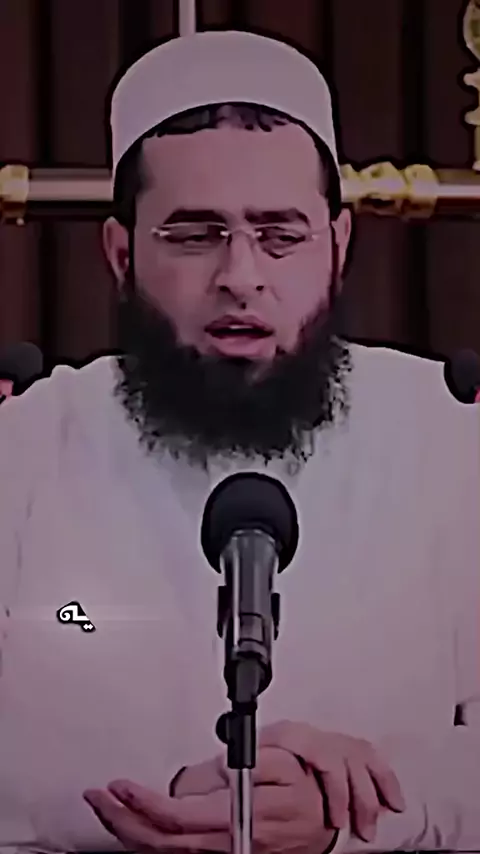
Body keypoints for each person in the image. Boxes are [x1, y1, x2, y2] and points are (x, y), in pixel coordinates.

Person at [0, 29, 479, 854]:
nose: (241, 276)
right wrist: (164, 800)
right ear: (121, 254)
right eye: (195, 235)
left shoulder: (451, 444)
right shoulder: (27, 448)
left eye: (280, 235)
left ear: (338, 247)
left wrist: (359, 814)